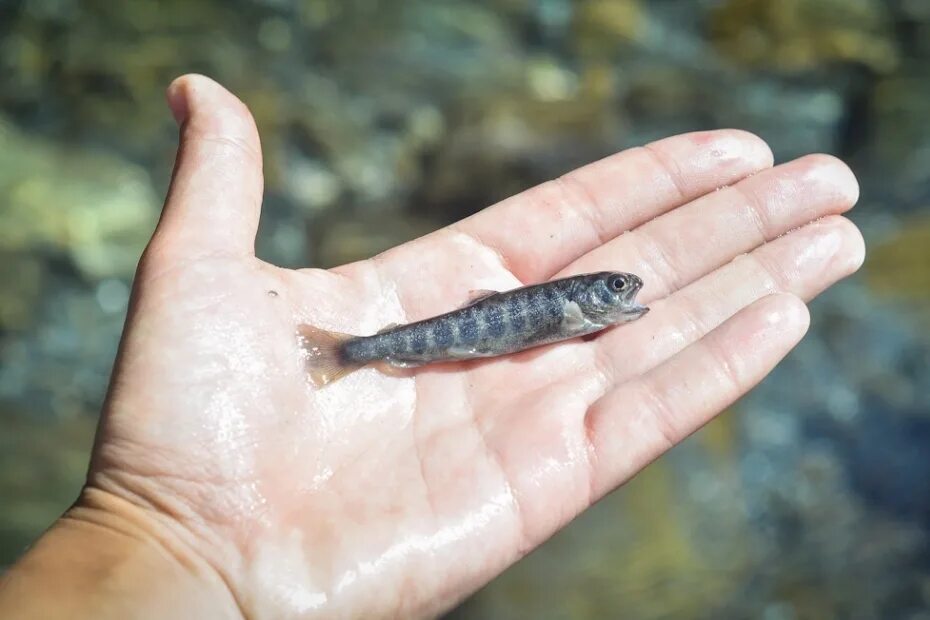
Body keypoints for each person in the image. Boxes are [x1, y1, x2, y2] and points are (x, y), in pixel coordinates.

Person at [0, 75, 864, 619]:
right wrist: (171, 536)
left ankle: (353, 351)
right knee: (394, 345)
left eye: (609, 294)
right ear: (581, 300)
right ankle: (348, 352)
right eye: (608, 291)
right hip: (407, 343)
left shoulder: (582, 311)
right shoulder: (572, 311)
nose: (616, 297)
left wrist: (176, 554)